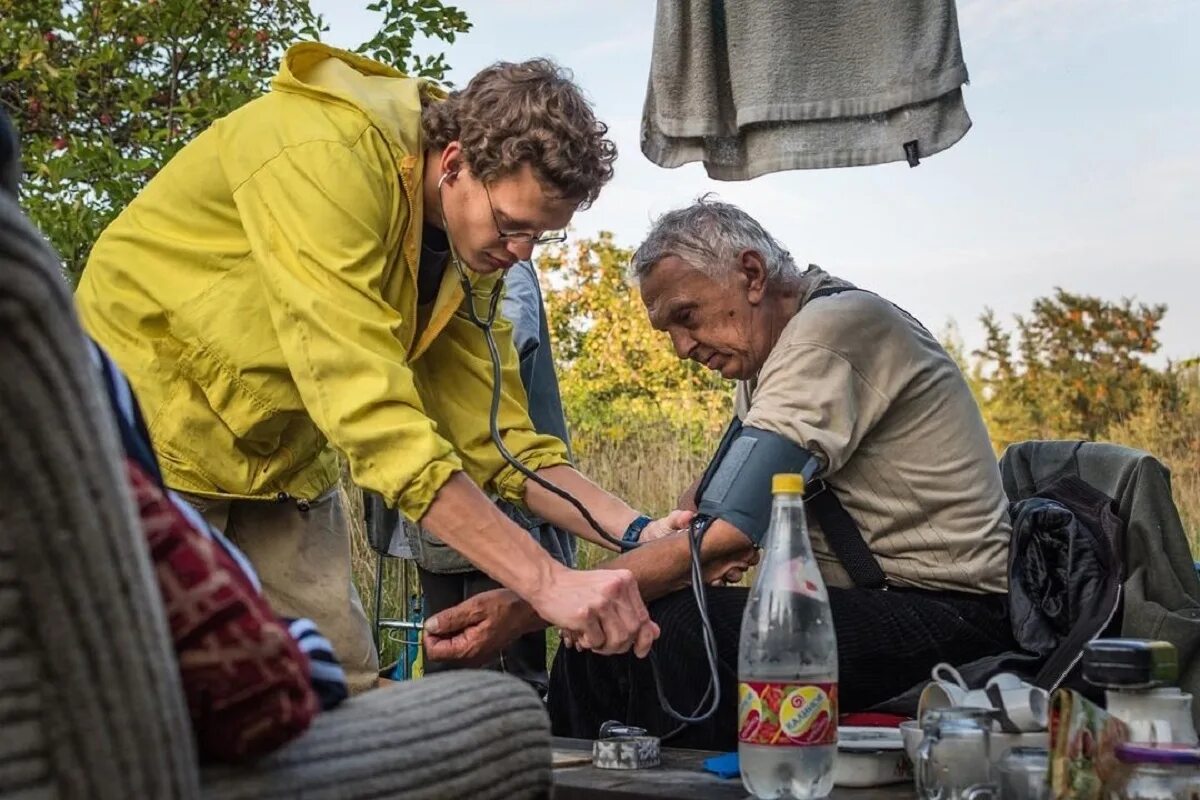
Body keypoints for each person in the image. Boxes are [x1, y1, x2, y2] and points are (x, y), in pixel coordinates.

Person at [74, 43, 681, 693]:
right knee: (148, 687)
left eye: (540, 236)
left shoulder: (467, 246)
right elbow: (369, 413)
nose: (520, 253)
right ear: (454, 164)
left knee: (342, 682)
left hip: (278, 461)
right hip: (147, 429)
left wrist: (639, 530)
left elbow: (500, 443)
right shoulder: (324, 156)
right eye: (510, 225)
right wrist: (547, 582)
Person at [423, 197, 1016, 749]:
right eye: (671, 331)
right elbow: (709, 504)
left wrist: (541, 603)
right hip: (871, 603)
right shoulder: (769, 359)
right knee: (620, 629)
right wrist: (655, 558)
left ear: (752, 275)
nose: (682, 347)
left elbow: (727, 532)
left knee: (672, 629)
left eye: (688, 317)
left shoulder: (834, 332)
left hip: (950, 613)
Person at [401, 258, 577, 693]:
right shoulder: (437, 263)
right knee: (446, 656)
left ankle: (512, 751)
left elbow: (506, 349)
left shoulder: (504, 267)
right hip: (439, 501)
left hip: (504, 496)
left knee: (508, 668)